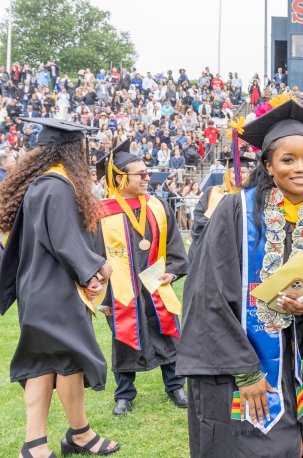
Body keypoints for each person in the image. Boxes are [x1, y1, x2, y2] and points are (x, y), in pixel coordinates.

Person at [177, 98, 303, 457]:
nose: (302, 168)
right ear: (267, 164)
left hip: (284, 361)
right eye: (288, 159)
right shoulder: (236, 211)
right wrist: (245, 371)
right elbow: (206, 294)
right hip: (230, 366)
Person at [0, 118, 120, 457]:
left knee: (43, 364)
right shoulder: (54, 186)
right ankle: (80, 435)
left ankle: (34, 444)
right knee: (71, 360)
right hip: (55, 293)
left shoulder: (42, 183)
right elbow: (65, 241)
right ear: (70, 150)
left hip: (40, 290)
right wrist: (95, 269)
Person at [93, 139, 189, 416]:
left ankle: (175, 386)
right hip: (120, 291)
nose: (148, 177)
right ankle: (124, 395)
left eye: (148, 172)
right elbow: (93, 253)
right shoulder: (102, 212)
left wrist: (173, 270)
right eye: (141, 174)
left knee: (168, 333)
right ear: (120, 178)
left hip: (155, 285)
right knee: (124, 338)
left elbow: (174, 247)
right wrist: (102, 292)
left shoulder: (158, 206)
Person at [188, 152, 256, 258]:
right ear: (228, 174)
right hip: (212, 248)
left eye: (243, 172)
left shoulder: (252, 196)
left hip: (243, 251)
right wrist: (218, 229)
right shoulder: (213, 192)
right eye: (234, 172)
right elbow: (198, 216)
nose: (239, 175)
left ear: (249, 174)